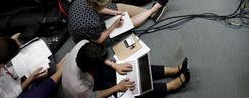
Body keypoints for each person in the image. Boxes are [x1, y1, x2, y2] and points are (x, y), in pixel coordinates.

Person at [62, 40, 190, 98]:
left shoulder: (83, 44)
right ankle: (169, 87)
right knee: (131, 88)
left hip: (92, 72)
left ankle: (173, 70)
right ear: (94, 67)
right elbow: (94, 96)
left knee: (129, 70)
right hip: (89, 92)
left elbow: (99, 58)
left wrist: (114, 65)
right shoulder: (78, 87)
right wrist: (117, 87)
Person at [68, 0, 169, 45]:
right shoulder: (91, 23)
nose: (109, 4)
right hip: (90, 40)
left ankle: (150, 13)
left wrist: (116, 12)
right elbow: (98, 40)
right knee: (125, 24)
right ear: (100, 4)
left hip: (89, 18)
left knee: (118, 7)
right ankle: (153, 10)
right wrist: (114, 26)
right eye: (107, 3)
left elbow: (98, 9)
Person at [0, 37, 66, 98]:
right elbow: (11, 95)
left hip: (7, 80)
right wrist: (31, 78)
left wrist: (12, 41)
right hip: (0, 94)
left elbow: (1, 44)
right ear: (1, 65)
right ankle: (59, 71)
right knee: (38, 93)